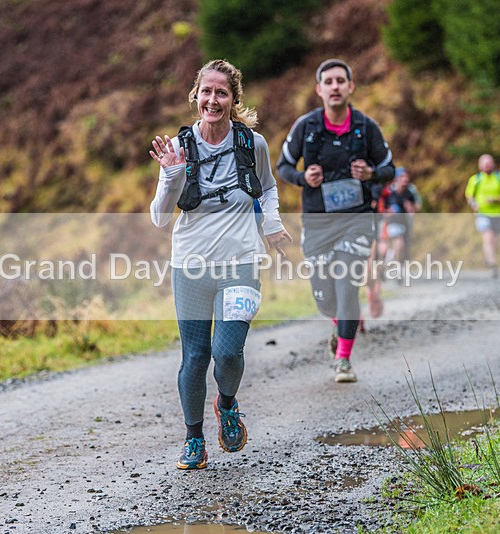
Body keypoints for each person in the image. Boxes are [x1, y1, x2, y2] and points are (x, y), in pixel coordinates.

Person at [150, 59, 292, 470]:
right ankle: (194, 439)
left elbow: (266, 188)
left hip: (242, 262)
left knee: (227, 353)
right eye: (206, 92)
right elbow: (160, 218)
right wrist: (172, 176)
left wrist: (273, 226)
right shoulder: (179, 149)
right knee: (195, 356)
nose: (213, 100)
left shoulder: (253, 144)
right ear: (196, 96)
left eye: (222, 93)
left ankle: (226, 405)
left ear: (233, 99)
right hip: (191, 265)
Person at [277, 58, 395, 383]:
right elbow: (283, 166)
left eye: (340, 81)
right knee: (325, 298)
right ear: (319, 90)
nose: (335, 87)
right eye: (328, 82)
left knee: (347, 287)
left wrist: (371, 173)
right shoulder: (306, 127)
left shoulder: (366, 126)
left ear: (350, 87)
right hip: (317, 223)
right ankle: (337, 325)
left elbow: (390, 169)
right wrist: (304, 178)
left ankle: (343, 359)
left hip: (357, 219)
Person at [464, 154, 500, 278]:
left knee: (495, 241)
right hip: (482, 214)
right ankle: (492, 263)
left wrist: (495, 200)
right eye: (484, 164)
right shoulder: (475, 179)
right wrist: (473, 204)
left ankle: (489, 257)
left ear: (493, 164)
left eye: (489, 163)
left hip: (496, 213)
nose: (487, 166)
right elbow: (469, 196)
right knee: (487, 236)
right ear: (480, 166)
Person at [377, 167, 418, 279]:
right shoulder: (388, 192)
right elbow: (379, 207)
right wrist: (386, 213)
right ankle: (383, 268)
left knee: (399, 248)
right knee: (391, 246)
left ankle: (391, 269)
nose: (405, 179)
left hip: (404, 224)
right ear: (396, 179)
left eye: (406, 177)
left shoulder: (409, 192)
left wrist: (411, 208)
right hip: (388, 223)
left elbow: (415, 207)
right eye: (402, 177)